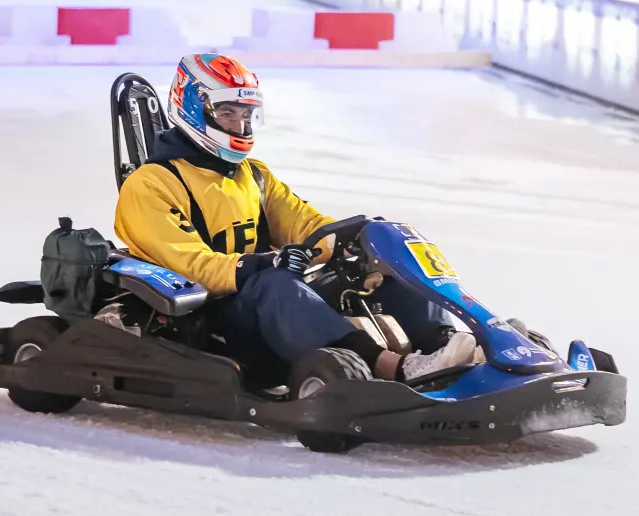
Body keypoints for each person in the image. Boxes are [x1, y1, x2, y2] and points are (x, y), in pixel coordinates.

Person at [113, 53, 478, 386]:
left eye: (245, 115)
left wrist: (358, 240)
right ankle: (391, 367)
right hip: (209, 318)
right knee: (276, 284)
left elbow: (307, 225)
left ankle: (447, 346)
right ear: (193, 107)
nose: (239, 127)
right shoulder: (151, 184)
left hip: (262, 299)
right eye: (228, 114)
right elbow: (189, 265)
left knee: (382, 268)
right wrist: (265, 263)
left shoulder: (253, 175)